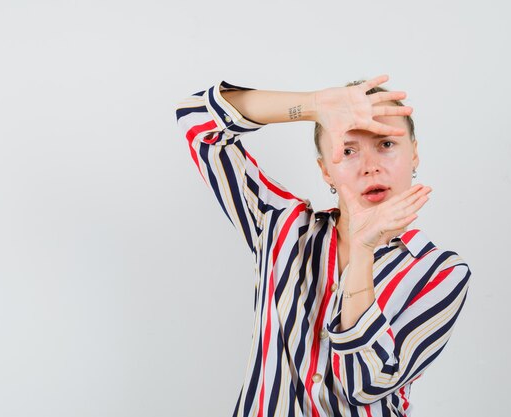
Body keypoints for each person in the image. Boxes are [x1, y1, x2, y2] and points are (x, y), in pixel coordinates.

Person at [175, 74, 471, 417]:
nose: (370, 166)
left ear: (414, 154)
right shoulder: (281, 225)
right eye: (347, 150)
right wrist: (312, 105)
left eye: (386, 144)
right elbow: (197, 120)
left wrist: (362, 254)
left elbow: (365, 384)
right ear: (326, 171)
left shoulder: (441, 273)